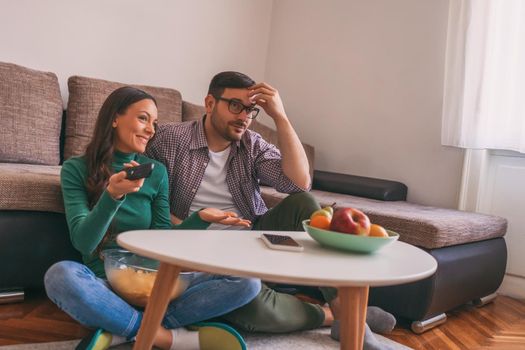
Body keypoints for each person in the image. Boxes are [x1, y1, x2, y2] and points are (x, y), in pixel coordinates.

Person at [145, 72, 396, 345]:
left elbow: (299, 183)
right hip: (196, 250)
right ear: (209, 103)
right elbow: (146, 200)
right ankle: (333, 316)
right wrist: (187, 227)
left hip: (253, 240)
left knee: (305, 204)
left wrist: (280, 116)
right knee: (252, 309)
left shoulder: (251, 144)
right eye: (235, 106)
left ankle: (348, 322)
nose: (244, 117)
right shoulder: (169, 139)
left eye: (251, 110)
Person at [44, 86, 261, 350]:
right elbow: (84, 242)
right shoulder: (76, 169)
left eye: (154, 123)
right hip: (106, 284)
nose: (151, 130)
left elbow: (162, 241)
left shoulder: (156, 172)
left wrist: (201, 218)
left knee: (247, 281)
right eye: (143, 118)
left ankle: (121, 329)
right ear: (114, 118)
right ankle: (167, 337)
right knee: (60, 276)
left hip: (156, 286)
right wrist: (112, 195)